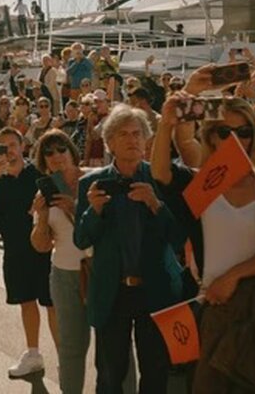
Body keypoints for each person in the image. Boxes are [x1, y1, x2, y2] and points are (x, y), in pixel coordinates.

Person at [151, 96, 255, 392]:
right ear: (210, 136)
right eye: (225, 132)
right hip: (214, 309)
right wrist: (166, 123)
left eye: (245, 131)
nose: (236, 139)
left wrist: (233, 277)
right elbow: (162, 176)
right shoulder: (202, 184)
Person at [74, 105, 182, 394]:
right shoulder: (91, 183)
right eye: (123, 134)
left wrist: (155, 205)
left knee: (155, 372)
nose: (132, 140)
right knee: (110, 375)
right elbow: (80, 240)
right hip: (112, 291)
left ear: (147, 140)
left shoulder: (160, 179)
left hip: (154, 290)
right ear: (109, 142)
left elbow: (178, 236)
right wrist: (93, 212)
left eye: (137, 133)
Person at [0, 127, 55, 379]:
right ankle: (33, 355)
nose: (9, 150)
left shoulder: (38, 172)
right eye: (3, 146)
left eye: (13, 145)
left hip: (45, 249)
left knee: (52, 304)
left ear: (23, 146)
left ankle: (66, 359)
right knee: (26, 302)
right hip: (14, 251)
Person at [29, 130, 89, 393]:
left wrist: (75, 208)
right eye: (48, 153)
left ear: (72, 151)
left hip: (98, 270)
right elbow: (41, 246)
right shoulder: (45, 191)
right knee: (70, 347)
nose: (56, 156)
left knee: (113, 345)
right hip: (64, 274)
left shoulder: (93, 180)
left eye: (61, 149)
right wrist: (42, 217)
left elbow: (107, 231)